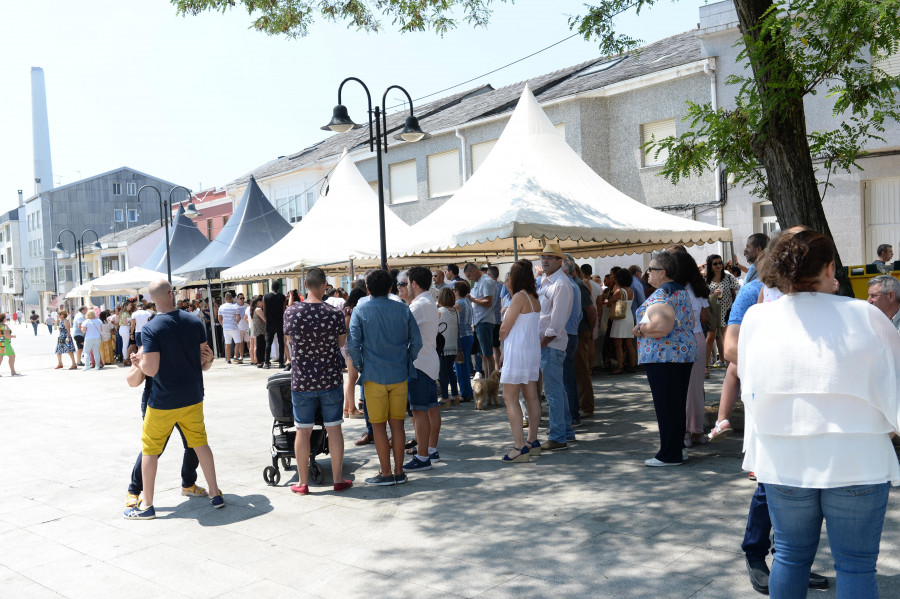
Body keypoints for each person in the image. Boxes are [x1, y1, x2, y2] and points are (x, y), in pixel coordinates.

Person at [738, 230, 899, 597]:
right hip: (859, 455)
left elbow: (751, 385)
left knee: (791, 558)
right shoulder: (867, 315)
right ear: (830, 267)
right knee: (856, 566)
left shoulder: (757, 318)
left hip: (783, 456)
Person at [124, 279, 223, 519]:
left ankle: (146, 505)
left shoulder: (150, 328)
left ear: (151, 299)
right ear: (171, 293)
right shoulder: (194, 321)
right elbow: (205, 361)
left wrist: (139, 361)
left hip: (163, 400)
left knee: (150, 450)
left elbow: (152, 369)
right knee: (200, 444)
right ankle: (215, 493)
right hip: (192, 396)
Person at [349, 269, 422, 486]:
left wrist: (362, 366)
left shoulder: (360, 310)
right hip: (399, 374)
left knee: (378, 426)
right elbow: (416, 342)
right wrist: (406, 360)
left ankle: (386, 472)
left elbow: (353, 345)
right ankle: (399, 471)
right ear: (390, 287)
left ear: (368, 289)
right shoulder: (402, 308)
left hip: (373, 375)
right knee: (398, 425)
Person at [283, 267, 352, 495]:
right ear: (324, 285)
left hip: (302, 380)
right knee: (334, 429)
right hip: (330, 378)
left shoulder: (291, 313)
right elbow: (341, 343)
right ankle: (338, 478)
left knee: (303, 431)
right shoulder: (334, 314)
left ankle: (302, 483)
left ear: (305, 285)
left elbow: (290, 341)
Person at [124, 344, 211, 509]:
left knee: (194, 444)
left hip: (186, 401)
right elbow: (132, 381)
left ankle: (188, 484)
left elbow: (202, 366)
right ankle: (134, 491)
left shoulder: (187, 339)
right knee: (153, 449)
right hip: (158, 404)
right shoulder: (149, 346)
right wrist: (139, 365)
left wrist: (208, 359)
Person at [634, 250, 696, 466]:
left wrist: (640, 329)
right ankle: (676, 449)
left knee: (667, 406)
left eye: (651, 269)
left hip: (664, 357)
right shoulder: (679, 290)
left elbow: (660, 327)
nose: (647, 273)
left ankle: (669, 454)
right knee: (675, 405)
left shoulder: (663, 293)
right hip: (679, 355)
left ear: (664, 271)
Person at [498, 259, 542, 462]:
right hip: (531, 351)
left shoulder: (518, 297)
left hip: (518, 351)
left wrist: (500, 335)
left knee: (510, 397)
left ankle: (519, 446)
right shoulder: (534, 297)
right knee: (531, 395)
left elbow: (505, 328)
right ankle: (532, 440)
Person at [669, 247, 710, 447]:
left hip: (679, 339)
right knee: (696, 388)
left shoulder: (673, 290)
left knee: (680, 388)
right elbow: (704, 317)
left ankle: (684, 431)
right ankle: (697, 431)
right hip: (698, 336)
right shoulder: (698, 288)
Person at [403, 266, 442, 472]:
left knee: (420, 411)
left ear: (414, 284)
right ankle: (430, 450)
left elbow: (401, 330)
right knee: (429, 409)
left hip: (419, 364)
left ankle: (423, 456)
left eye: (407, 282)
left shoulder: (418, 305)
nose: (406, 286)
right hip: (428, 361)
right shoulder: (428, 302)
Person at [537, 243, 575, 451]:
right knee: (557, 390)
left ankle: (558, 436)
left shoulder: (560, 283)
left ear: (560, 261)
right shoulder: (547, 281)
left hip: (551, 344)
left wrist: (542, 342)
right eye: (543, 256)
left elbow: (557, 322)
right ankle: (565, 432)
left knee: (552, 392)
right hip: (549, 344)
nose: (545, 260)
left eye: (550, 257)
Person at [704, 255, 739, 374]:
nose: (718, 265)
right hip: (712, 311)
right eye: (715, 264)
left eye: (720, 263)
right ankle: (705, 367)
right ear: (710, 266)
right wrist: (712, 295)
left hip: (726, 310)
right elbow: (702, 297)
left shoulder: (729, 277)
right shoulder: (706, 279)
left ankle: (730, 368)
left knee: (726, 338)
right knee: (710, 338)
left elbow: (736, 290)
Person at [465, 263, 497, 378]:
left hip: (485, 321)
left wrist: (472, 299)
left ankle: (491, 381)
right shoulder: (478, 282)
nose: (469, 278)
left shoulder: (486, 281)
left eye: (469, 276)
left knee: (487, 355)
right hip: (479, 322)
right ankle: (488, 379)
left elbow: (489, 302)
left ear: (474, 271)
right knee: (483, 355)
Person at [342, 288, 366, 419]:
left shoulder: (347, 308)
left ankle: (347, 408)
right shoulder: (350, 310)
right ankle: (351, 408)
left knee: (351, 377)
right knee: (352, 377)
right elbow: (347, 328)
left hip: (346, 345)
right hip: (349, 345)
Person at [607, 268, 636, 374]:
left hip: (620, 318)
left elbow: (609, 303)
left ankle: (620, 366)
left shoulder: (619, 291)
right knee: (629, 343)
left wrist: (607, 299)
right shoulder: (630, 290)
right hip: (629, 317)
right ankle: (631, 365)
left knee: (618, 344)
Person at [436, 287, 461, 407]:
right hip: (453, 345)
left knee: (443, 373)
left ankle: (445, 397)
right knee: (451, 371)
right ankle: (455, 396)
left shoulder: (440, 311)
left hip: (443, 346)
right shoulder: (455, 311)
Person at [453, 281, 475, 403]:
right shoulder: (467, 301)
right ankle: (467, 391)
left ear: (457, 291)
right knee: (464, 365)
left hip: (461, 337)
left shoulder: (459, 304)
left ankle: (465, 392)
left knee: (460, 366)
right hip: (468, 335)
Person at [263, 281, 287, 369]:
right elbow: (284, 310)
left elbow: (265, 310)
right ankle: (281, 362)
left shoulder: (266, 296)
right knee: (281, 342)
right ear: (279, 287)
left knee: (268, 343)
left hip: (270, 322)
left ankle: (266, 362)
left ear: (271, 287)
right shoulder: (282, 296)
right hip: (280, 321)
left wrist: (267, 321)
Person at [217, 292, 242, 365]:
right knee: (238, 342)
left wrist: (223, 325)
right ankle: (235, 355)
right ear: (232, 298)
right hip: (234, 326)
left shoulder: (221, 307)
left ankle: (228, 359)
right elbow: (239, 317)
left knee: (227, 343)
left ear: (225, 299)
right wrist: (236, 322)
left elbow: (219, 318)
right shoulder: (235, 306)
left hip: (226, 328)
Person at [248, 295, 266, 367]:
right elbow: (265, 319)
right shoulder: (258, 310)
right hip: (260, 330)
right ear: (258, 302)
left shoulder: (254, 309)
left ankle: (260, 361)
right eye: (262, 301)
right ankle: (260, 361)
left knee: (259, 346)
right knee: (260, 346)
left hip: (258, 330)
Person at [235, 293, 250, 361]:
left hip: (247, 327)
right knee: (240, 343)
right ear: (237, 299)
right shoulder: (234, 306)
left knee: (249, 342)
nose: (242, 300)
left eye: (243, 298)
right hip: (239, 327)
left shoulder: (247, 306)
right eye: (241, 298)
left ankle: (251, 355)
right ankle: (241, 356)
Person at [118, 301, 133, 366]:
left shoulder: (123, 313)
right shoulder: (125, 313)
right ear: (126, 306)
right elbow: (124, 322)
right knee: (125, 345)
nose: (131, 306)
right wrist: (132, 322)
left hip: (123, 329)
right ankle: (125, 359)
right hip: (125, 329)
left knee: (125, 345)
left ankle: (125, 359)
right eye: (130, 305)